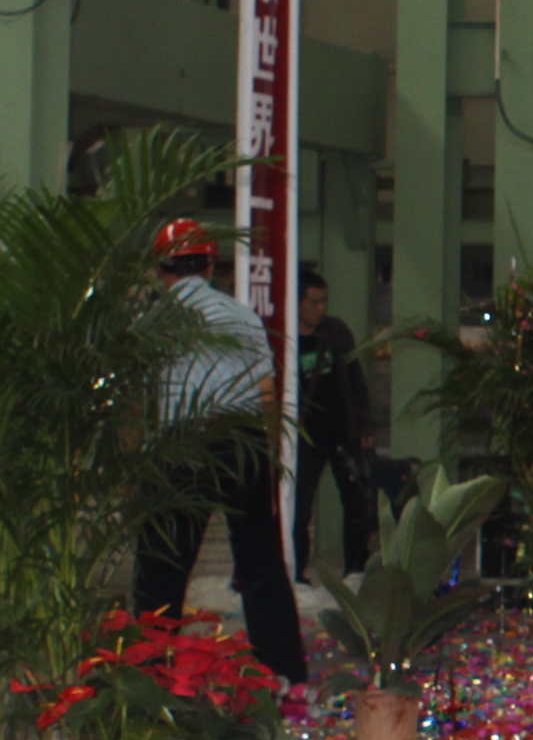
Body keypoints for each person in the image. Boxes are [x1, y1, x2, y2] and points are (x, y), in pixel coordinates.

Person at [132, 219, 307, 685]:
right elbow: (266, 391)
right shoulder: (242, 316)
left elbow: (138, 401)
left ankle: (148, 673)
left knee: (162, 568)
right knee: (261, 565)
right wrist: (264, 455)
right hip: (242, 444)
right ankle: (283, 670)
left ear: (160, 267)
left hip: (182, 447)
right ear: (211, 264)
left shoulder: (154, 322)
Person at [292, 265, 377, 577]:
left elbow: (356, 382)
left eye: (323, 301)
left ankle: (356, 570)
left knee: (358, 503)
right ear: (297, 302)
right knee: (298, 510)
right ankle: (296, 571)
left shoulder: (335, 332)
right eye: (313, 302)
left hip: (342, 432)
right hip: (305, 437)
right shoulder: (285, 337)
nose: (320, 309)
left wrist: (364, 427)